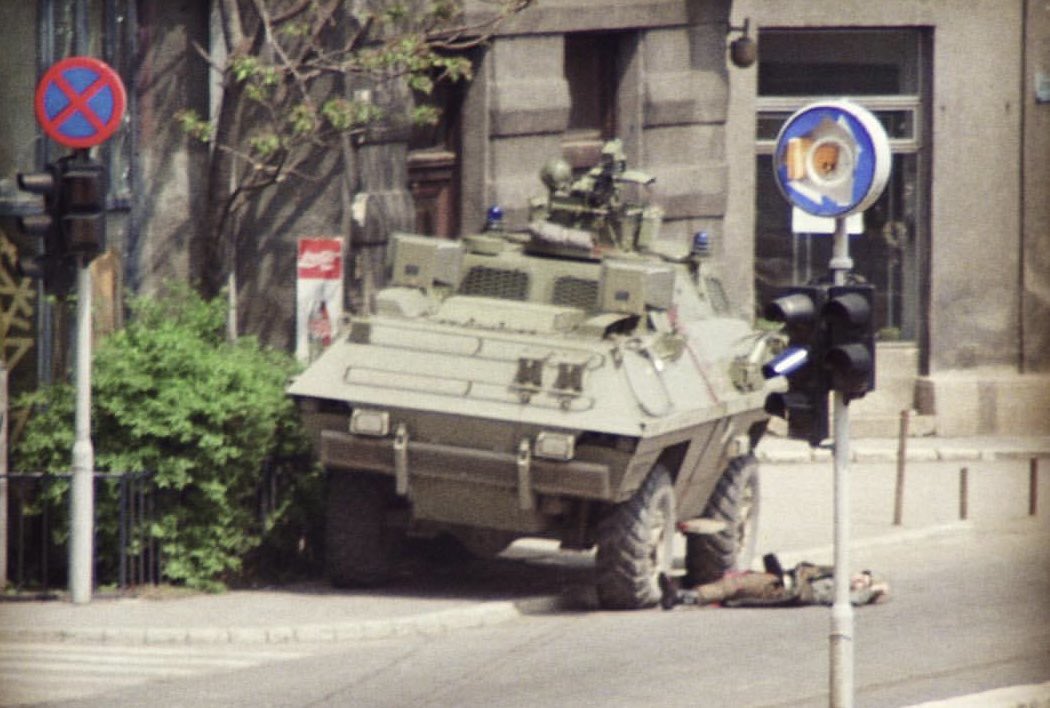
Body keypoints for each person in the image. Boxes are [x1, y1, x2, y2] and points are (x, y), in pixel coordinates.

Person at [659, 553, 890, 610]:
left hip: (782, 590)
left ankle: (681, 596)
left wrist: (876, 589)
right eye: (862, 576)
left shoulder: (844, 596)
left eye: (864, 583)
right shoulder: (836, 573)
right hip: (780, 579)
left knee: (734, 586)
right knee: (732, 580)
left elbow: (858, 599)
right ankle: (680, 589)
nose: (859, 581)